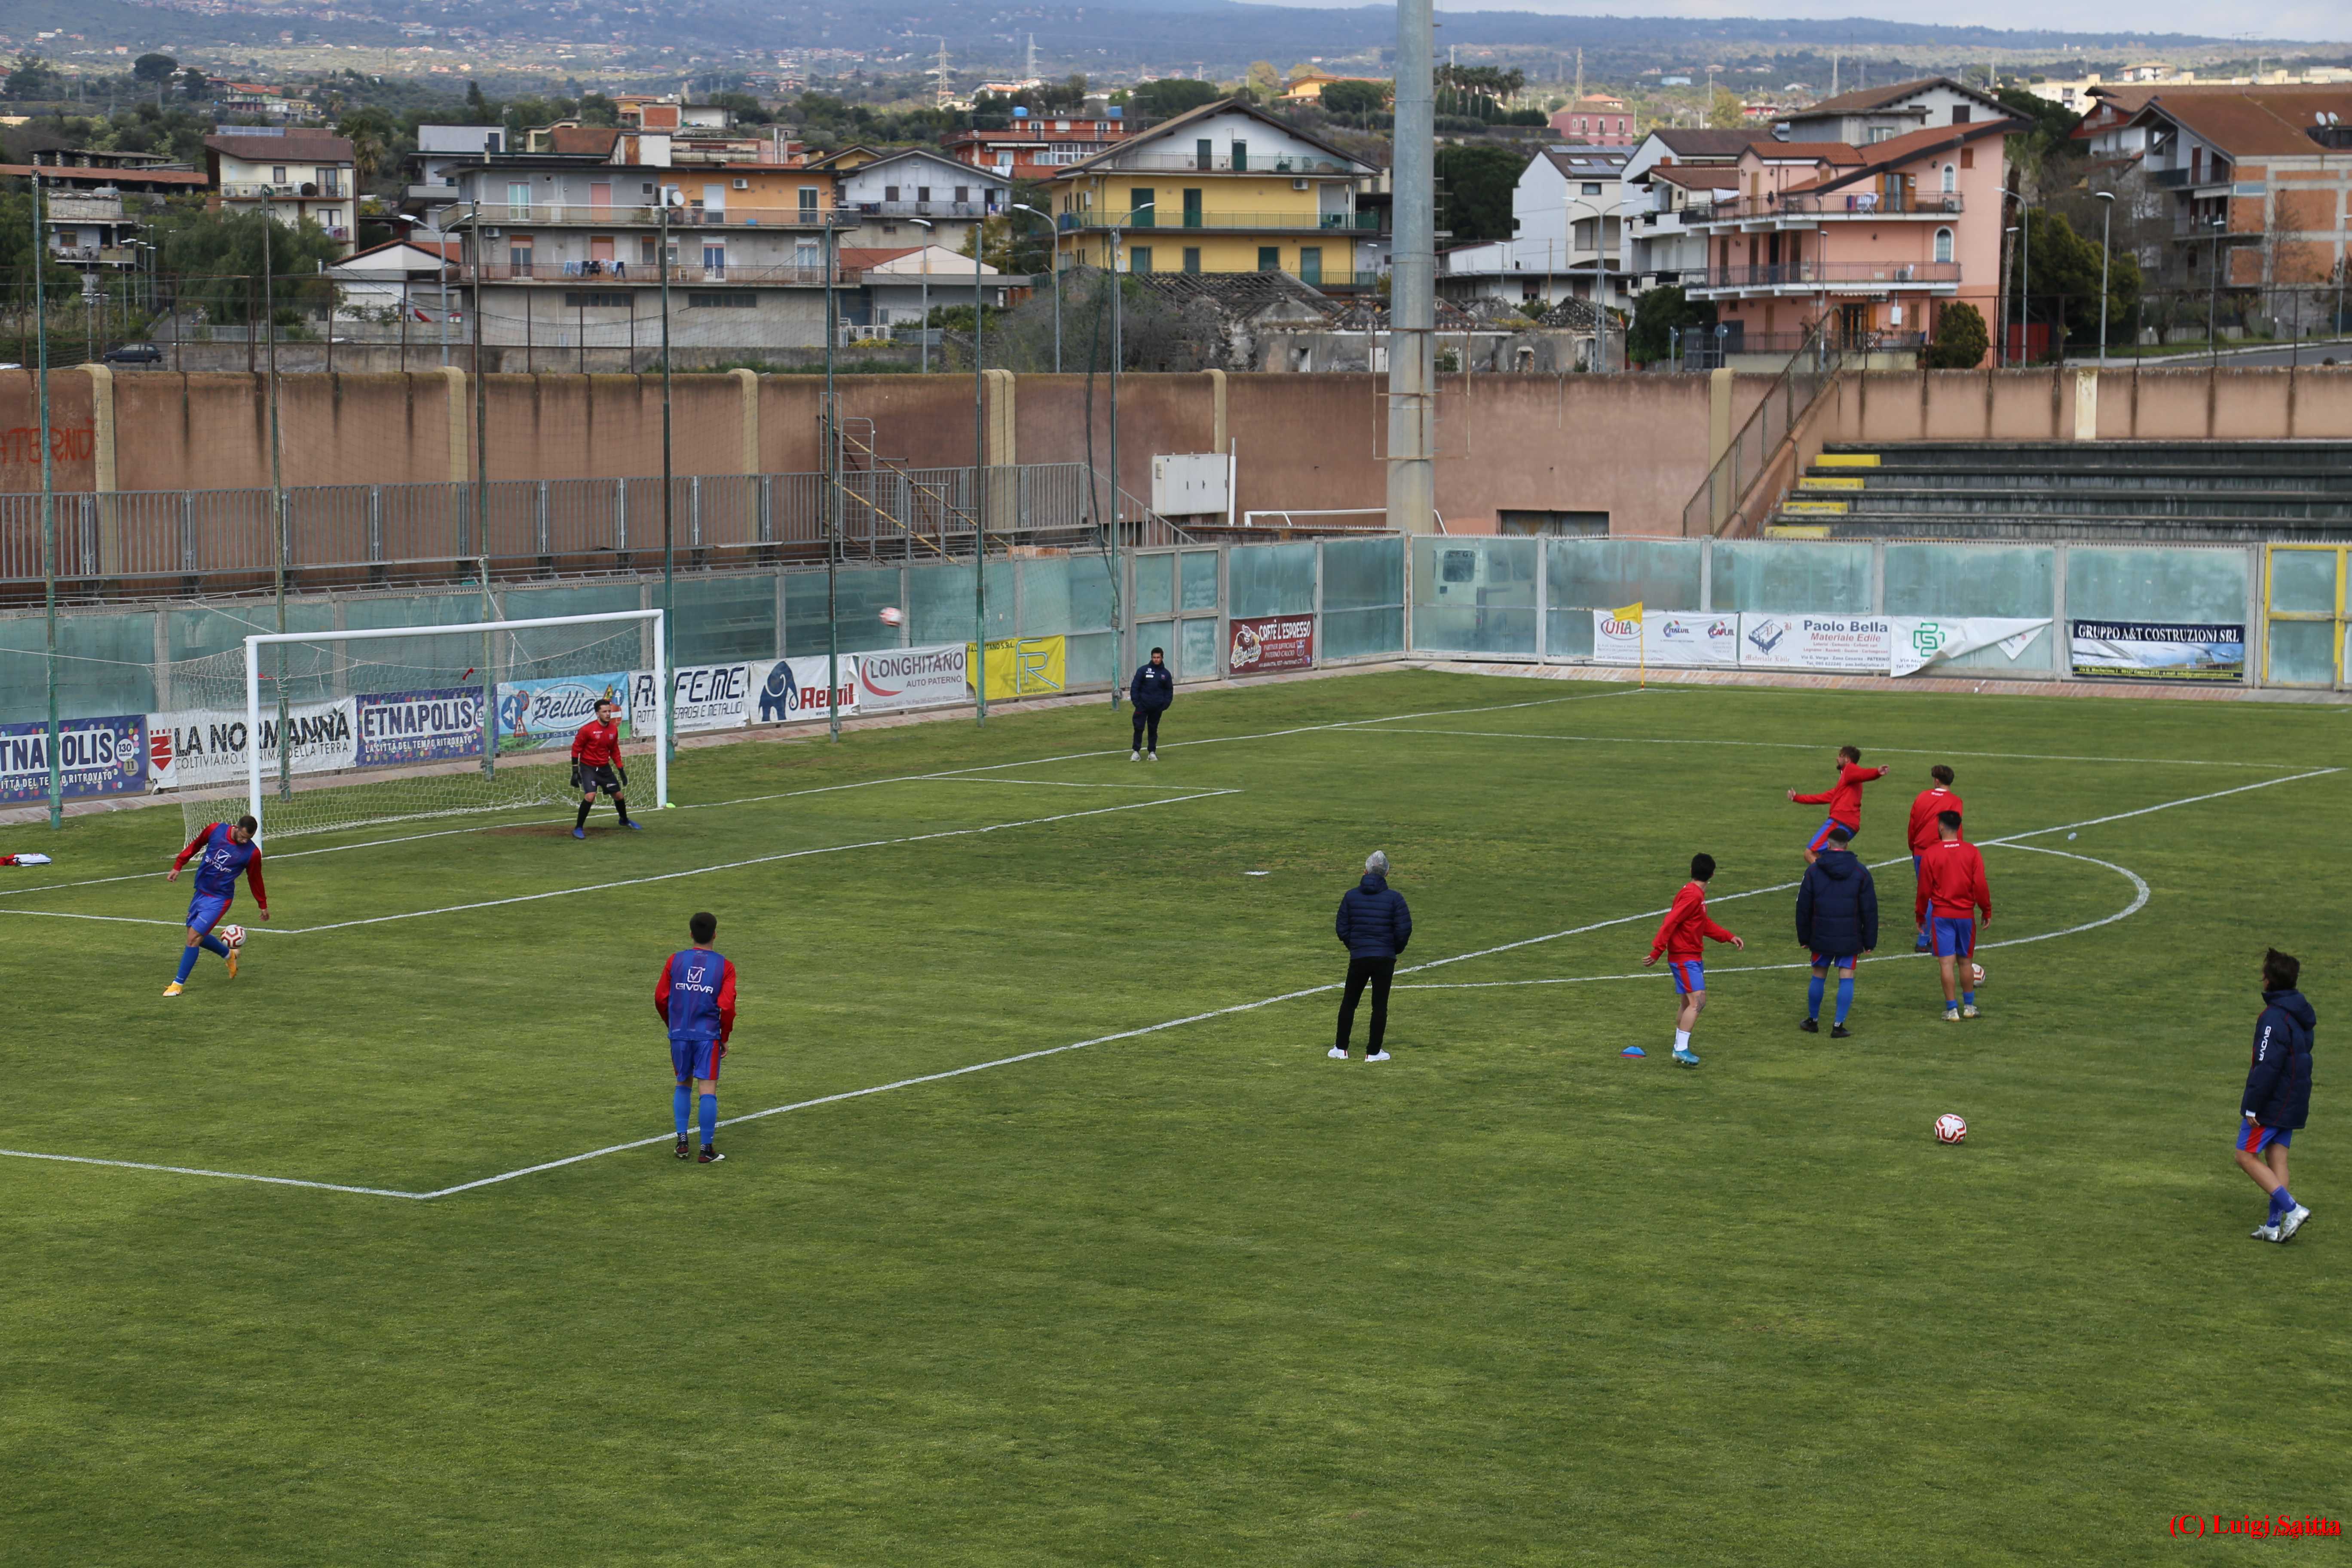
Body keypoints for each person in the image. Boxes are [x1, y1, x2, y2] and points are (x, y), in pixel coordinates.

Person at [2239, 949, 2315, 1243]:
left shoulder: (2273, 1017)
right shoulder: (2300, 1012)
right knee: (2277, 1159)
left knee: (2245, 1156)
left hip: (2274, 1102)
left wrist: (2252, 1106)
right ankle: (2273, 1227)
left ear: (2270, 981)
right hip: (2294, 1097)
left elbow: (2267, 1064)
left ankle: (2293, 1210)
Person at [1642, 852, 1743, 1067]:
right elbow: (1671, 921)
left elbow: (1702, 923)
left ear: (1691, 871)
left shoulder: (1693, 894)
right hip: (1684, 957)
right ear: (1713, 875)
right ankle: (1680, 1050)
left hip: (1690, 956)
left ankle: (1679, 1046)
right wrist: (1657, 950)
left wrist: (1728, 937)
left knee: (1688, 1003)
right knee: (1699, 1001)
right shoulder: (1693, 896)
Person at [656, 910, 738, 1164]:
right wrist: (724, 1036)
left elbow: (660, 997)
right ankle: (706, 1149)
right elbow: (727, 1006)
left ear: (691, 934)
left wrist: (674, 1025)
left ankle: (682, 1142)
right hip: (707, 1035)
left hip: (679, 1033)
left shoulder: (675, 960)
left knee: (683, 1083)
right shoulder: (725, 966)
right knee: (707, 1089)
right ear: (715, 935)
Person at [162, 814, 268, 997]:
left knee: (193, 938)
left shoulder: (252, 853)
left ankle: (177, 985)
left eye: (249, 839)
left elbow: (255, 879)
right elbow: (196, 845)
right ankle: (230, 955)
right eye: (243, 837)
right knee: (195, 935)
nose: (245, 841)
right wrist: (179, 865)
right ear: (236, 827)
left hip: (219, 899)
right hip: (201, 892)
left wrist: (262, 904)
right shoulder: (215, 830)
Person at [1794, 825, 1877, 1038]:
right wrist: (1870, 941)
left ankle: (1813, 1021)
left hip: (1821, 933)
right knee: (1847, 977)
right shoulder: (1860, 872)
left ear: (1828, 846)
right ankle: (1838, 1026)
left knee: (1818, 975)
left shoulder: (1814, 871)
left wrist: (1804, 937)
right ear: (1847, 845)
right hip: (1850, 936)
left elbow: (1803, 907)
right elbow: (1870, 909)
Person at [1330, 850, 1411, 1063]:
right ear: (1386, 873)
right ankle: (1373, 1052)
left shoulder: (1351, 896)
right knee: (1380, 1005)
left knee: (1349, 1002)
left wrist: (1355, 945)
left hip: (1359, 956)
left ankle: (1341, 1048)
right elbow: (1404, 929)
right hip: (1385, 957)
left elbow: (1342, 927)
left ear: (1365, 871)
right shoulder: (1395, 899)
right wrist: (1393, 949)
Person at [1914, 812, 1991, 1021]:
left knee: (1946, 964)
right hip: (1966, 916)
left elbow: (1924, 890)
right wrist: (1986, 910)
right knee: (1966, 963)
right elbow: (1981, 885)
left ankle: (1952, 1010)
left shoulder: (1931, 854)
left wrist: (1920, 915)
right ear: (1959, 828)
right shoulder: (1972, 852)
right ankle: (1969, 1007)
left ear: (1941, 827)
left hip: (1942, 916)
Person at [1787, 745, 1889, 864]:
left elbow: (1863, 774)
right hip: (1851, 825)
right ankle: (1836, 874)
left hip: (1840, 821)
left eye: (1840, 756)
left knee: (1810, 853)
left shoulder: (1849, 769)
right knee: (1825, 857)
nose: (1837, 759)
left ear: (1847, 759)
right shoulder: (1846, 786)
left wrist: (1877, 772)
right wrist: (1797, 798)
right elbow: (1824, 797)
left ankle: (1822, 875)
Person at [1906, 766, 1964, 951]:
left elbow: (1912, 825)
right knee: (1937, 896)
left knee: (1926, 894)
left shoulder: (1922, 797)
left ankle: (1928, 937)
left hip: (1921, 851)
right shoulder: (1955, 801)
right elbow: (1956, 830)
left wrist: (1913, 848)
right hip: (1942, 853)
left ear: (1937, 781)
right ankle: (1926, 940)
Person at [572, 695, 642, 839]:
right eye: (605, 712)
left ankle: (624, 820)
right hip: (588, 768)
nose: (608, 714)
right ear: (597, 714)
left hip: (605, 768)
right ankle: (578, 828)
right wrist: (575, 772)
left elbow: (615, 751)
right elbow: (576, 749)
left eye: (609, 711)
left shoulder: (613, 730)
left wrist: (621, 770)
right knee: (590, 796)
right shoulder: (587, 730)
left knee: (619, 795)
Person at [1130, 646, 1173, 761]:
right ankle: (1136, 752)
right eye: (1154, 657)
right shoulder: (1143, 671)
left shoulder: (1166, 674)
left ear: (1162, 658)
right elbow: (1135, 687)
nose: (1156, 660)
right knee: (1139, 728)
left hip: (1157, 708)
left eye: (1158, 657)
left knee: (1153, 729)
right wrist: (1137, 703)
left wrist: (1164, 705)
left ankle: (1152, 752)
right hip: (1142, 706)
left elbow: (1169, 691)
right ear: (1151, 658)